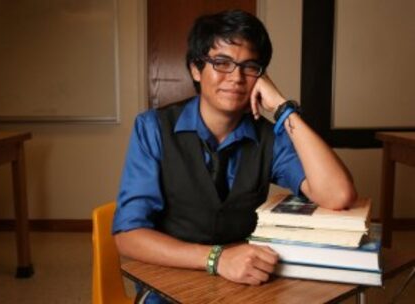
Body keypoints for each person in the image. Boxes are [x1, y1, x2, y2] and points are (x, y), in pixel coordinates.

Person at [113, 9, 357, 303]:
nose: (237, 77)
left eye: (250, 66)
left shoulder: (270, 136)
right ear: (195, 69)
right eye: (221, 63)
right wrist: (217, 258)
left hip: (245, 282)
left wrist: (282, 107)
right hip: (171, 280)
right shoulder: (153, 128)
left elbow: (337, 194)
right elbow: (128, 236)